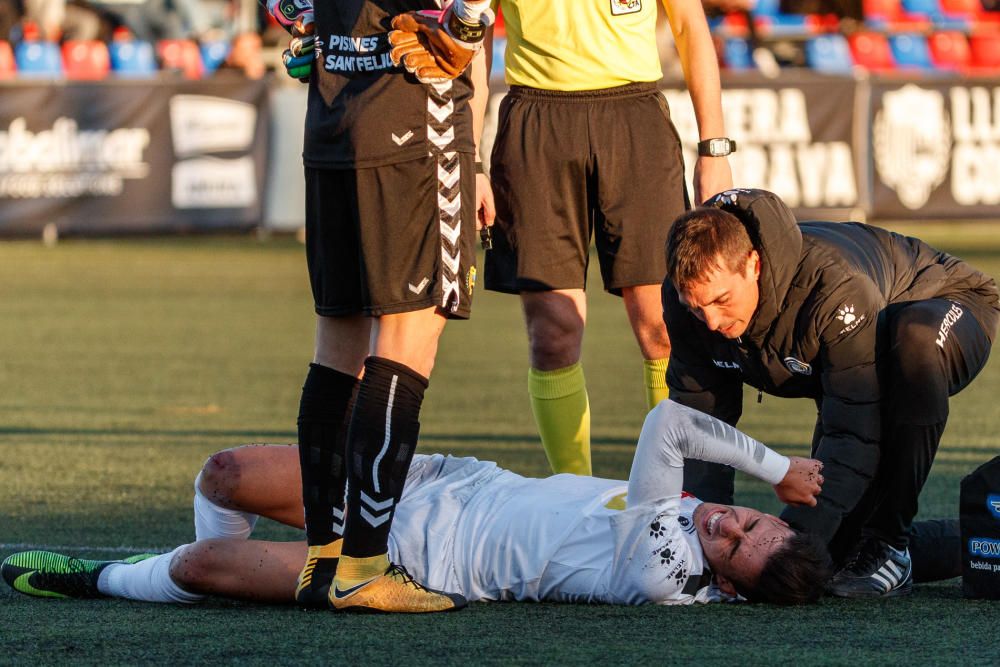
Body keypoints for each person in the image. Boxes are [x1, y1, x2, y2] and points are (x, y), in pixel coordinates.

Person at [1, 401, 831, 608]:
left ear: (721, 584)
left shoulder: (664, 570)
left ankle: (104, 579)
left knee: (201, 561)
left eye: (732, 546)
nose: (727, 522)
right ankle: (219, 592)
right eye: (752, 519)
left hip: (414, 563)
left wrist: (774, 466)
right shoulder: (695, 533)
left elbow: (666, 422)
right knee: (221, 473)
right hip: (441, 481)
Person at [258, 0, 495, 613]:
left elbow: (288, 8)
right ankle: (365, 567)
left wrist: (316, 33)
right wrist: (468, 21)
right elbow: (468, 17)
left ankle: (323, 560)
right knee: (407, 344)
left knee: (338, 345)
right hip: (415, 116)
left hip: (332, 119)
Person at [661, 188, 1000, 598]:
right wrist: (700, 546)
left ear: (753, 264)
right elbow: (701, 426)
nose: (710, 321)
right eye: (696, 307)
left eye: (720, 300)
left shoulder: (832, 289)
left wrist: (794, 542)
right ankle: (989, 543)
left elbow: (854, 436)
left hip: (949, 306)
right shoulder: (687, 302)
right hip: (862, 357)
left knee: (915, 343)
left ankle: (891, 543)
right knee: (834, 551)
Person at [480, 0, 735, 479]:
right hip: (536, 119)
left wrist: (714, 148)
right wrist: (470, 157)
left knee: (664, 326)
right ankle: (575, 495)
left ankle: (673, 495)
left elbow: (689, 26)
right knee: (552, 334)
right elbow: (474, 34)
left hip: (635, 117)